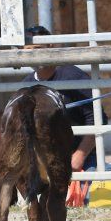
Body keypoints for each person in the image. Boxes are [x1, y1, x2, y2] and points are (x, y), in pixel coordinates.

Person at [22, 25, 100, 173]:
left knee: (90, 193)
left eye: (37, 48)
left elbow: (97, 118)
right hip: (42, 161)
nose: (33, 55)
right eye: (28, 50)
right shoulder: (26, 85)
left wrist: (79, 156)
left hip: (78, 159)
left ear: (50, 46)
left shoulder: (73, 76)